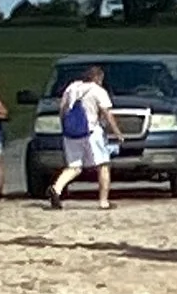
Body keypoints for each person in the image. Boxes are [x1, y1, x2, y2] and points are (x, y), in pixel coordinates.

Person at [47, 65, 123, 211]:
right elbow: (106, 113)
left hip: (71, 133)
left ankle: (56, 189)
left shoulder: (71, 88)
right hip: (91, 132)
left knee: (74, 167)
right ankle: (103, 201)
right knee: (103, 165)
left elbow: (62, 109)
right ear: (98, 78)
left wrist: (65, 126)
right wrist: (117, 132)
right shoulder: (98, 91)